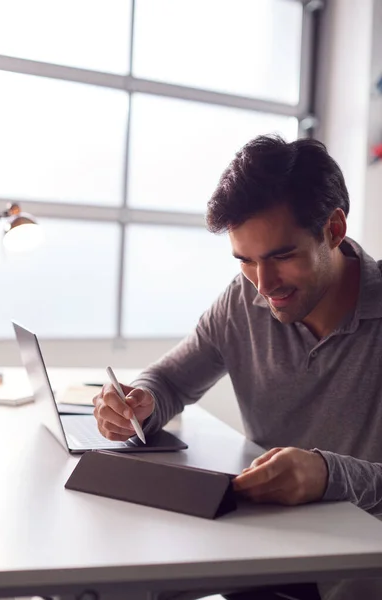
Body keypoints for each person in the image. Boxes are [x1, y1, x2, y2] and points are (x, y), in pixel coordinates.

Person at [93, 135, 382, 600]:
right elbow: (169, 379)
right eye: (245, 260)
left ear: (333, 228)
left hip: (357, 576)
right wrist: (140, 403)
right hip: (260, 554)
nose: (263, 285)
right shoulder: (243, 300)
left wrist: (328, 476)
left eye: (281, 256)